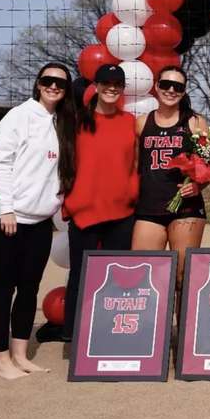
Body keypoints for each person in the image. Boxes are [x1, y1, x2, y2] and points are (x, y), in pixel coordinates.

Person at [0, 62, 76, 378]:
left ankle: (20, 354)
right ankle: (1, 360)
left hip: (39, 220)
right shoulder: (19, 116)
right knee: (3, 287)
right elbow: (1, 164)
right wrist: (7, 208)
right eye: (48, 80)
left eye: (60, 83)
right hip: (7, 218)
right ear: (38, 84)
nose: (53, 86)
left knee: (29, 288)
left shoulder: (63, 122)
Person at [61, 64, 138, 342]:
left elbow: (135, 164)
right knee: (81, 276)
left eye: (117, 83)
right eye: (106, 82)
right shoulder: (76, 121)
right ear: (96, 85)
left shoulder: (129, 121)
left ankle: (110, 334)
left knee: (117, 278)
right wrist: (71, 200)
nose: (112, 87)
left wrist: (132, 192)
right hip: (84, 211)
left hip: (121, 212)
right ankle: (73, 336)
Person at [131, 66, 210, 286]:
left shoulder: (194, 122)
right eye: (166, 84)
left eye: (178, 86)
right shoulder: (142, 122)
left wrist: (197, 185)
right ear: (156, 87)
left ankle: (183, 321)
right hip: (149, 208)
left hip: (186, 209)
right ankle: (153, 322)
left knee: (182, 277)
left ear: (184, 91)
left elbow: (209, 165)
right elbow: (136, 167)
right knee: (144, 275)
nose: (171, 90)